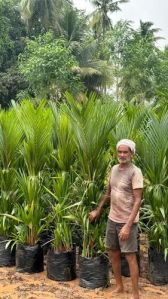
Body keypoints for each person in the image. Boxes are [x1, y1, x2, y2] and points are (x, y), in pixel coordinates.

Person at [89, 139, 143, 299]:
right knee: (112, 252)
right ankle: (119, 286)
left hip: (127, 221)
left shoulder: (135, 172)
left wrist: (127, 226)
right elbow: (108, 193)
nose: (122, 155)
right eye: (119, 151)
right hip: (113, 218)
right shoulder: (113, 169)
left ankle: (135, 294)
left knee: (130, 256)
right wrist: (98, 210)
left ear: (132, 154)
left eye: (125, 152)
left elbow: (138, 200)